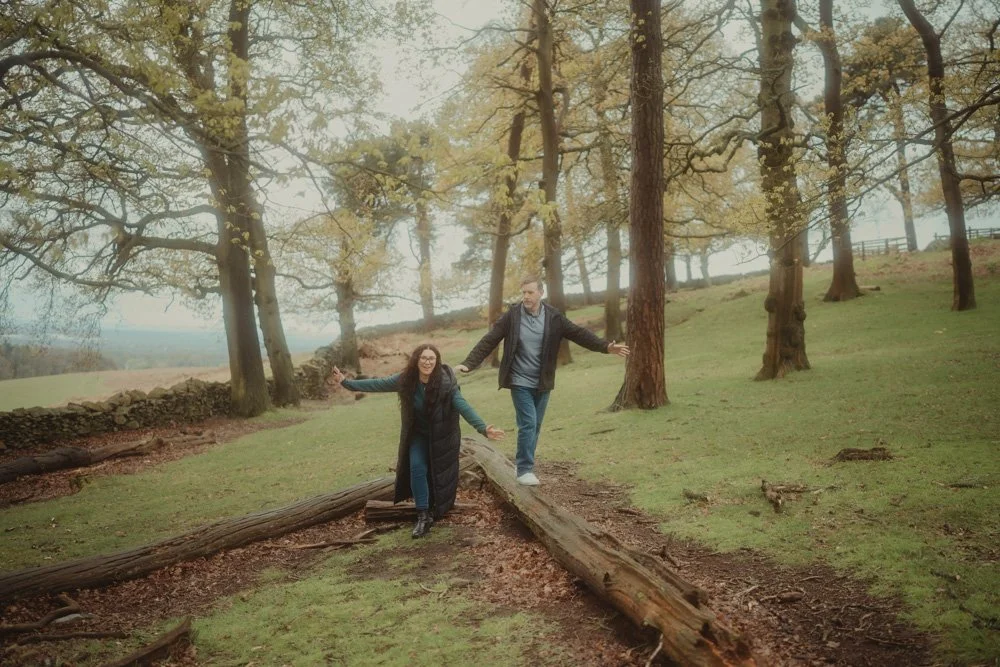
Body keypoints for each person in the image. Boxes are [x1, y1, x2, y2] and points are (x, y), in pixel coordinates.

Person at [456, 276, 629, 486]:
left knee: (535, 425)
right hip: (519, 380)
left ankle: (526, 466)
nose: (526, 297)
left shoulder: (553, 317)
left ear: (540, 293)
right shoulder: (512, 316)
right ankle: (524, 469)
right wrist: (469, 363)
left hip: (543, 381)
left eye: (530, 292)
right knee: (528, 423)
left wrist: (606, 347)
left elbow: (578, 333)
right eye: (523, 293)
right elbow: (490, 339)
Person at [330, 344, 504, 538]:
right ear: (416, 360)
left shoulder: (446, 383)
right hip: (418, 435)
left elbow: (462, 405)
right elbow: (377, 383)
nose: (427, 362)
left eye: (431, 358)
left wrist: (483, 427)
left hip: (442, 436)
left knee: (438, 473)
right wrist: (346, 382)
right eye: (424, 358)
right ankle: (423, 516)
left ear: (436, 361)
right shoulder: (406, 380)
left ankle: (436, 508)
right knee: (417, 468)